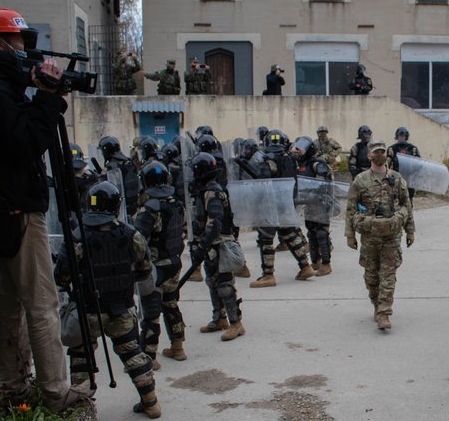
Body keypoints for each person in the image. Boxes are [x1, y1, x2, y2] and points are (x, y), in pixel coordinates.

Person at [0, 7, 93, 412]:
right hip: (16, 209)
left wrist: (36, 92)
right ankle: (55, 390)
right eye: (20, 44)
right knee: (41, 302)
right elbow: (25, 142)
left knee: (12, 301)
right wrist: (49, 100)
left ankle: (14, 383)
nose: (26, 52)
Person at [55, 181, 161, 418]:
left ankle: (80, 412)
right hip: (121, 310)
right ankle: (151, 401)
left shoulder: (77, 236)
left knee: (81, 356)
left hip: (87, 311)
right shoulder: (131, 234)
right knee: (133, 354)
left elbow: (62, 276)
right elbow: (145, 271)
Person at [344, 140, 415, 330]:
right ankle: (376, 303)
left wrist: (410, 230)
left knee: (388, 275)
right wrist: (350, 235)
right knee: (371, 276)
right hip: (370, 235)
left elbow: (406, 205)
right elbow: (351, 208)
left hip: (391, 235)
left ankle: (384, 313)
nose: (379, 155)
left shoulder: (397, 178)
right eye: (376, 152)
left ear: (387, 155)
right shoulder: (361, 180)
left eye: (382, 152)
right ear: (369, 156)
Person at [134, 162, 188, 365]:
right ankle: (178, 347)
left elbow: (138, 241)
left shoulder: (149, 209)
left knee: (151, 312)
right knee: (171, 305)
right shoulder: (176, 203)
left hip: (155, 268)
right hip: (174, 263)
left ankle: (149, 356)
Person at [248, 130, 316, 288]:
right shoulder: (291, 159)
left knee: (266, 239)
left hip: (270, 206)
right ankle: (306, 267)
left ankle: (268, 275)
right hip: (286, 203)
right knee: (290, 234)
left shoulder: (267, 161)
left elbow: (261, 186)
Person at [189, 153, 245, 341]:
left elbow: (215, 224)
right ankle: (219, 318)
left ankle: (236, 323)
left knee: (224, 285)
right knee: (212, 282)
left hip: (219, 245)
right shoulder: (207, 191)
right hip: (211, 246)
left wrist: (202, 246)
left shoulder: (213, 193)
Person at [293, 137, 335, 276]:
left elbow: (323, 183)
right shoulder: (302, 163)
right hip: (309, 203)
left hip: (321, 203)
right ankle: (315, 261)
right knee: (311, 232)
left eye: (302, 149)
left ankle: (326, 264)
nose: (299, 151)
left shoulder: (318, 164)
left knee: (322, 233)